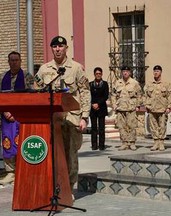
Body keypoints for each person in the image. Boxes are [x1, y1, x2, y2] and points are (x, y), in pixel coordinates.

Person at [34, 36, 91, 197]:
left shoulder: (76, 68)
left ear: (66, 48)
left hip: (72, 118)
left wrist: (84, 117)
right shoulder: (44, 69)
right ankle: (54, 186)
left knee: (70, 153)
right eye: (54, 46)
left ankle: (69, 187)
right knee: (52, 153)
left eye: (60, 46)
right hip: (51, 118)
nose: (57, 49)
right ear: (51, 49)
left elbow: (85, 92)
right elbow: (37, 91)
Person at [0, 51, 34, 185]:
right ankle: (10, 172)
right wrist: (5, 111)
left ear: (20, 61)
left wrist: (17, 112)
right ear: (8, 62)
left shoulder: (27, 77)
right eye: (11, 60)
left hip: (21, 117)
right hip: (6, 116)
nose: (14, 62)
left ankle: (22, 170)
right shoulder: (2, 77)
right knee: (7, 142)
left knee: (21, 141)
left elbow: (31, 97)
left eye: (16, 60)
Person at [110, 66, 142, 151]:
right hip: (120, 108)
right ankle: (124, 143)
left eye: (127, 71)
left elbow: (139, 95)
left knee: (132, 126)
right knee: (121, 126)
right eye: (123, 71)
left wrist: (138, 105)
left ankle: (132, 143)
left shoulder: (134, 83)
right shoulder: (117, 83)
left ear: (130, 73)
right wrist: (114, 105)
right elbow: (113, 95)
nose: (125, 73)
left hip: (131, 108)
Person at [143, 65, 171, 151]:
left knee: (162, 126)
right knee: (153, 127)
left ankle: (161, 143)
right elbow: (144, 96)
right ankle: (156, 142)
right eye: (154, 71)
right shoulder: (149, 84)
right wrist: (146, 105)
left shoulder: (166, 84)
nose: (156, 73)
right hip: (152, 109)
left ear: (161, 72)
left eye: (158, 71)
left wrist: (169, 107)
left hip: (162, 109)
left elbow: (170, 96)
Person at [89, 67, 109, 151]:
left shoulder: (105, 84)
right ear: (94, 74)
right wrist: (92, 104)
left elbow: (106, 96)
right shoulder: (90, 84)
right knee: (94, 128)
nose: (98, 75)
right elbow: (88, 96)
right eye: (96, 74)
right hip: (93, 108)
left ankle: (101, 145)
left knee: (101, 128)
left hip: (101, 108)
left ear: (102, 74)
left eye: (99, 74)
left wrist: (98, 104)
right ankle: (94, 145)